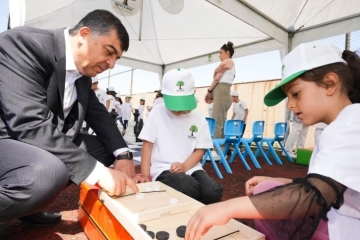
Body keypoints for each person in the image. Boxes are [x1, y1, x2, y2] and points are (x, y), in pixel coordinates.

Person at [185, 42, 360, 240]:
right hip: (340, 217)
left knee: (270, 200)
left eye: (295, 93)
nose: (291, 105)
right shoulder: (340, 124)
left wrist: (226, 208)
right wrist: (277, 180)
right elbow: (336, 186)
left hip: (348, 229)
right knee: (265, 189)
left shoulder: (352, 121)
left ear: (330, 83)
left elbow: (313, 197)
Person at [0, 10, 138, 227]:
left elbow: (99, 115)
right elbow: (28, 123)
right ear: (84, 35)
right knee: (49, 171)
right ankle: (30, 190)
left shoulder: (83, 76)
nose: (111, 65)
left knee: (102, 148)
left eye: (116, 59)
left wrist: (123, 155)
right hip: (7, 137)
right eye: (109, 52)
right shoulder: (25, 43)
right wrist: (99, 172)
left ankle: (30, 205)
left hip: (33, 139)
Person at [137, 68, 223, 205]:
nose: (179, 110)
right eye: (174, 105)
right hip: (164, 168)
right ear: (163, 95)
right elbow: (147, 145)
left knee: (212, 191)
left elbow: (200, 150)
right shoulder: (157, 112)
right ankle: (191, 204)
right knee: (185, 185)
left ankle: (190, 203)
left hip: (191, 167)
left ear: (193, 93)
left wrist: (184, 166)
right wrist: (145, 176)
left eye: (182, 104)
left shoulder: (199, 118)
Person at [205, 41, 235, 138]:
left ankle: (215, 150)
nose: (219, 55)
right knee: (220, 123)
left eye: (221, 53)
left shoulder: (227, 61)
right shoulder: (230, 64)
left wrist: (209, 91)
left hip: (221, 92)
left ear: (228, 53)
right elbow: (216, 77)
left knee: (216, 123)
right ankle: (221, 150)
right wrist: (215, 71)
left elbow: (216, 79)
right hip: (224, 92)